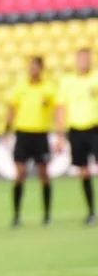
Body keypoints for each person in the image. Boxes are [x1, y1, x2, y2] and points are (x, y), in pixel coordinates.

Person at [6, 56, 58, 227]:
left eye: (36, 67)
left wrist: (59, 132)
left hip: (40, 134)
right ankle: (16, 215)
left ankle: (47, 214)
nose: (32, 70)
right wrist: (7, 130)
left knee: (43, 174)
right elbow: (12, 109)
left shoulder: (49, 89)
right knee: (20, 173)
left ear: (41, 69)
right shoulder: (20, 87)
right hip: (23, 134)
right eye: (31, 67)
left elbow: (56, 110)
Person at [56, 47, 98, 225]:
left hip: (95, 127)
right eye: (81, 58)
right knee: (83, 171)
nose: (84, 61)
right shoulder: (67, 82)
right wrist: (59, 135)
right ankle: (90, 211)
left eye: (86, 58)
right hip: (76, 130)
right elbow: (61, 107)